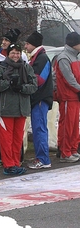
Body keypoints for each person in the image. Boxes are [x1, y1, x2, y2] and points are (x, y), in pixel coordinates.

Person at [0, 43, 38, 175]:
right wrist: (8, 83)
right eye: (12, 53)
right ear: (8, 54)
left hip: (21, 108)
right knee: (6, 139)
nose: (15, 55)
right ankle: (8, 164)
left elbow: (34, 86)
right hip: (6, 109)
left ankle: (16, 162)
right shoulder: (1, 67)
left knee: (18, 138)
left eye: (17, 53)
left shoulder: (26, 68)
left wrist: (21, 87)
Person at [0, 28, 27, 166]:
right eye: (3, 39)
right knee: (0, 127)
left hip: (18, 98)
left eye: (7, 40)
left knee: (17, 130)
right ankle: (0, 156)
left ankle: (17, 157)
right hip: (1, 97)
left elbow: (27, 76)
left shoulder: (22, 56)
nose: (3, 42)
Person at [24, 31, 53, 169]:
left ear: (33, 44)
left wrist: (25, 83)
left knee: (39, 128)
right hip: (38, 98)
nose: (25, 46)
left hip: (40, 98)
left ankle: (43, 159)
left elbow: (39, 79)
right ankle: (40, 156)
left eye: (28, 43)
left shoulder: (42, 58)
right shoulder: (38, 57)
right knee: (37, 128)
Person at [53, 32, 80, 163]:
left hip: (75, 96)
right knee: (67, 126)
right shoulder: (64, 57)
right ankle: (65, 152)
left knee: (74, 126)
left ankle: (73, 149)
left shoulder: (74, 57)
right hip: (68, 97)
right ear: (74, 44)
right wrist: (79, 89)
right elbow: (69, 78)